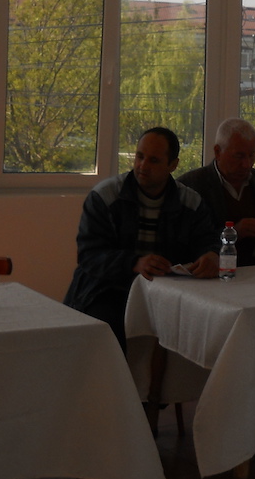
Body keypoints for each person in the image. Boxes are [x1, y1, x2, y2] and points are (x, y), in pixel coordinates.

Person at [63, 126, 220, 352]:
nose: (143, 166)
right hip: (107, 290)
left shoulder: (191, 203)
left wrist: (211, 255)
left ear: (173, 165)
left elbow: (207, 239)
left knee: (206, 326)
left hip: (168, 294)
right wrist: (134, 262)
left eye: (154, 160)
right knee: (107, 332)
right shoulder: (105, 196)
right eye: (139, 156)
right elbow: (89, 255)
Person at [177, 118, 255, 266]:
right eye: (239, 156)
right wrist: (233, 234)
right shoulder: (190, 185)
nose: (246, 164)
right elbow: (183, 245)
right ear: (217, 152)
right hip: (217, 273)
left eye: (252, 155)